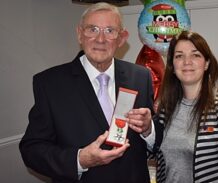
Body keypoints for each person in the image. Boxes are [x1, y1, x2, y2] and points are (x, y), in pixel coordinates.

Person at [19, 2, 163, 183]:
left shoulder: (140, 76)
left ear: (121, 38)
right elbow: (32, 150)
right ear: (80, 33)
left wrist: (148, 128)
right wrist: (79, 159)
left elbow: (155, 130)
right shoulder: (50, 83)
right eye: (92, 29)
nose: (100, 39)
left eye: (110, 30)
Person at [153, 31, 218, 183]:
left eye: (195, 55)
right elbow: (152, 152)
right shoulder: (166, 107)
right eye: (179, 56)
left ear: (207, 63)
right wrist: (145, 129)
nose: (187, 61)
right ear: (172, 66)